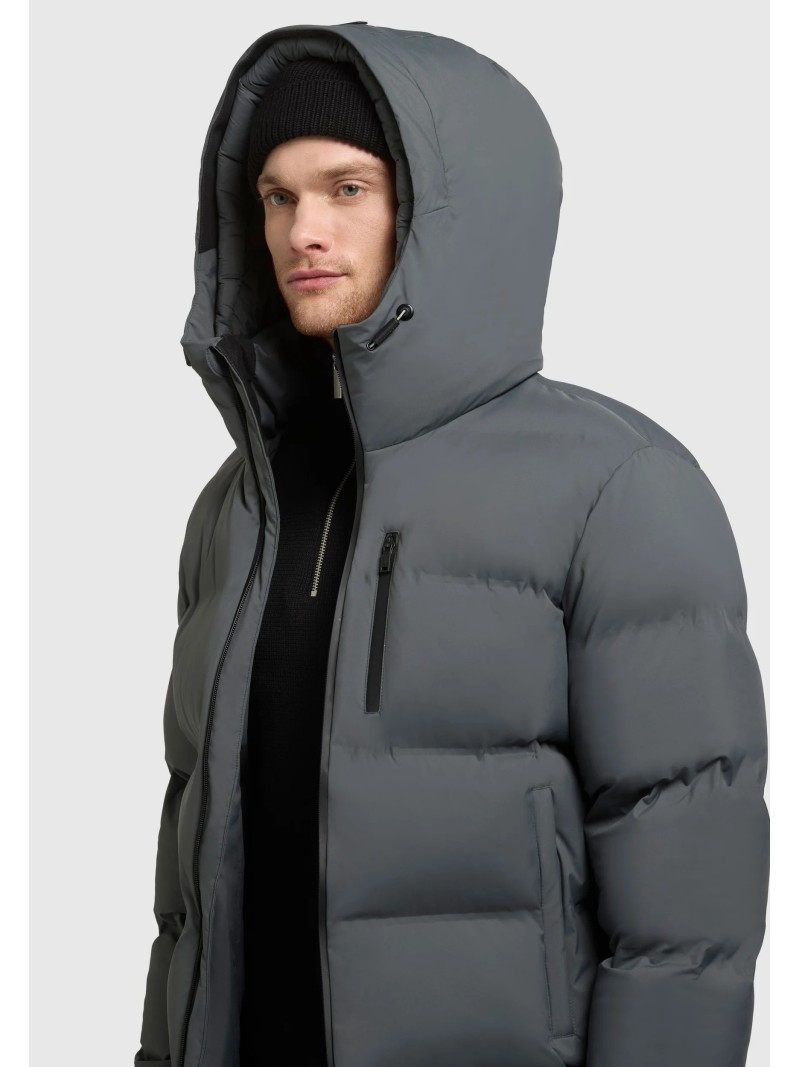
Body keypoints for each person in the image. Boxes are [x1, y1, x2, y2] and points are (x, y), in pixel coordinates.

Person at [134, 23, 769, 1067]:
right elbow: (187, 882)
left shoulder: (616, 484)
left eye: (346, 188)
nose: (302, 231)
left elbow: (688, 908)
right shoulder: (238, 505)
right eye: (277, 197)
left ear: (444, 211)